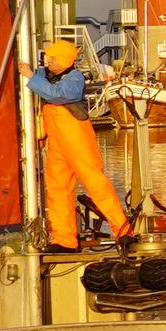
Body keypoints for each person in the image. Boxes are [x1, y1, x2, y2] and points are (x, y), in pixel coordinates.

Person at [30, 37, 133, 250]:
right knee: (57, 189)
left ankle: (123, 232)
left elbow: (58, 95)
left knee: (96, 183)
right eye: (48, 57)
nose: (48, 62)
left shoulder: (74, 78)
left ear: (66, 61)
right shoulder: (44, 74)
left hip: (77, 138)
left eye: (53, 58)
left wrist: (30, 76)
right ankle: (63, 239)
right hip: (56, 141)